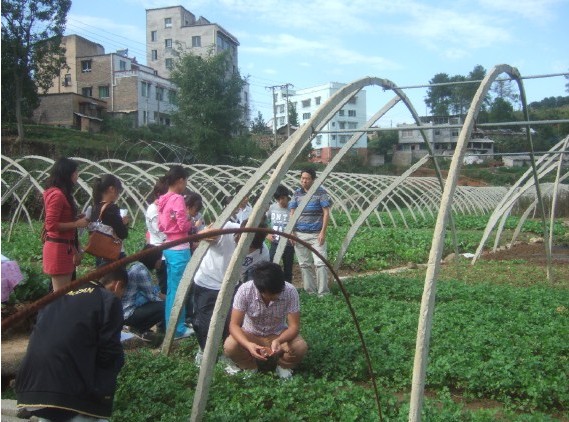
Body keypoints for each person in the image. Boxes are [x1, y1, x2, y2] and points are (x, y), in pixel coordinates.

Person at [16, 268, 128, 421]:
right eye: (123, 292)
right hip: (70, 391)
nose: (121, 297)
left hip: (31, 388)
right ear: (117, 285)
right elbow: (110, 351)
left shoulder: (57, 294)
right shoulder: (108, 300)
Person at [192, 217, 268, 362]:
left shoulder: (262, 252)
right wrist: (205, 233)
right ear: (238, 234)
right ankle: (205, 353)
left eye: (250, 248)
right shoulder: (225, 229)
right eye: (242, 243)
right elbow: (204, 233)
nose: (246, 250)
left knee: (230, 322)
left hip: (231, 286)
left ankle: (228, 353)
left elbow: (258, 277)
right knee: (205, 323)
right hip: (207, 283)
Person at [223, 261, 308, 379]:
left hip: (277, 334)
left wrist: (279, 340)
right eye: (272, 294)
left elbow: (294, 327)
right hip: (250, 333)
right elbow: (234, 325)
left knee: (300, 347)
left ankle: (283, 366)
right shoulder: (245, 291)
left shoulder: (290, 291)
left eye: (279, 292)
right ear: (260, 289)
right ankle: (249, 366)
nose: (277, 296)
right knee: (230, 346)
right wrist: (248, 344)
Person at [42, 157, 90, 291]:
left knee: (64, 294)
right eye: (75, 172)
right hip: (58, 249)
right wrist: (76, 224)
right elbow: (50, 225)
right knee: (60, 297)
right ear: (67, 174)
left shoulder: (61, 193)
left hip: (65, 248)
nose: (77, 175)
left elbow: (59, 219)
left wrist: (74, 218)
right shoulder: (57, 195)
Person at [157, 165, 194, 339]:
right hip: (180, 249)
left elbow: (161, 225)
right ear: (180, 180)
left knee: (172, 289)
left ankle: (171, 324)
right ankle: (178, 329)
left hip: (169, 248)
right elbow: (183, 225)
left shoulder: (163, 199)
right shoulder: (178, 199)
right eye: (185, 181)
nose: (185, 184)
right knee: (180, 289)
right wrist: (190, 221)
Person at [289, 168, 331, 296]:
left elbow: (326, 212)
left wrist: (323, 232)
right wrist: (291, 231)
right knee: (304, 264)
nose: (304, 181)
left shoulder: (321, 193)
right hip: (300, 234)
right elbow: (292, 212)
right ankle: (310, 292)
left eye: (307, 178)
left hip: (316, 235)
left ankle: (323, 293)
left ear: (313, 179)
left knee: (320, 263)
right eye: (302, 178)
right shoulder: (296, 193)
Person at [123, 245, 165, 341]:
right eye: (159, 259)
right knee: (164, 307)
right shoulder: (141, 272)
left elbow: (153, 292)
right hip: (128, 313)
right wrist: (170, 301)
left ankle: (138, 328)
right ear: (154, 259)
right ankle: (139, 329)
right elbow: (152, 297)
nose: (160, 262)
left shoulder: (138, 266)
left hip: (126, 309)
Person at [91, 174, 129, 268]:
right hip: (112, 254)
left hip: (99, 253)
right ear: (112, 189)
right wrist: (125, 223)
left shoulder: (94, 208)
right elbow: (122, 233)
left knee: (103, 281)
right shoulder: (111, 208)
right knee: (116, 281)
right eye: (118, 191)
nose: (118, 195)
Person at [266, 185, 295, 283]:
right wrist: (267, 234)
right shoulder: (272, 207)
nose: (281, 201)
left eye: (283, 198)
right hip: (275, 242)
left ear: (287, 196)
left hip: (288, 244)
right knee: (272, 266)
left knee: (288, 269)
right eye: (278, 199)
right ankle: (273, 287)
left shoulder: (293, 208)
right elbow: (264, 221)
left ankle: (288, 291)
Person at [145, 178, 168, 294]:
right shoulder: (154, 210)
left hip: (164, 251)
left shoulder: (159, 209)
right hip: (161, 253)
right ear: (159, 194)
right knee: (164, 285)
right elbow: (161, 233)